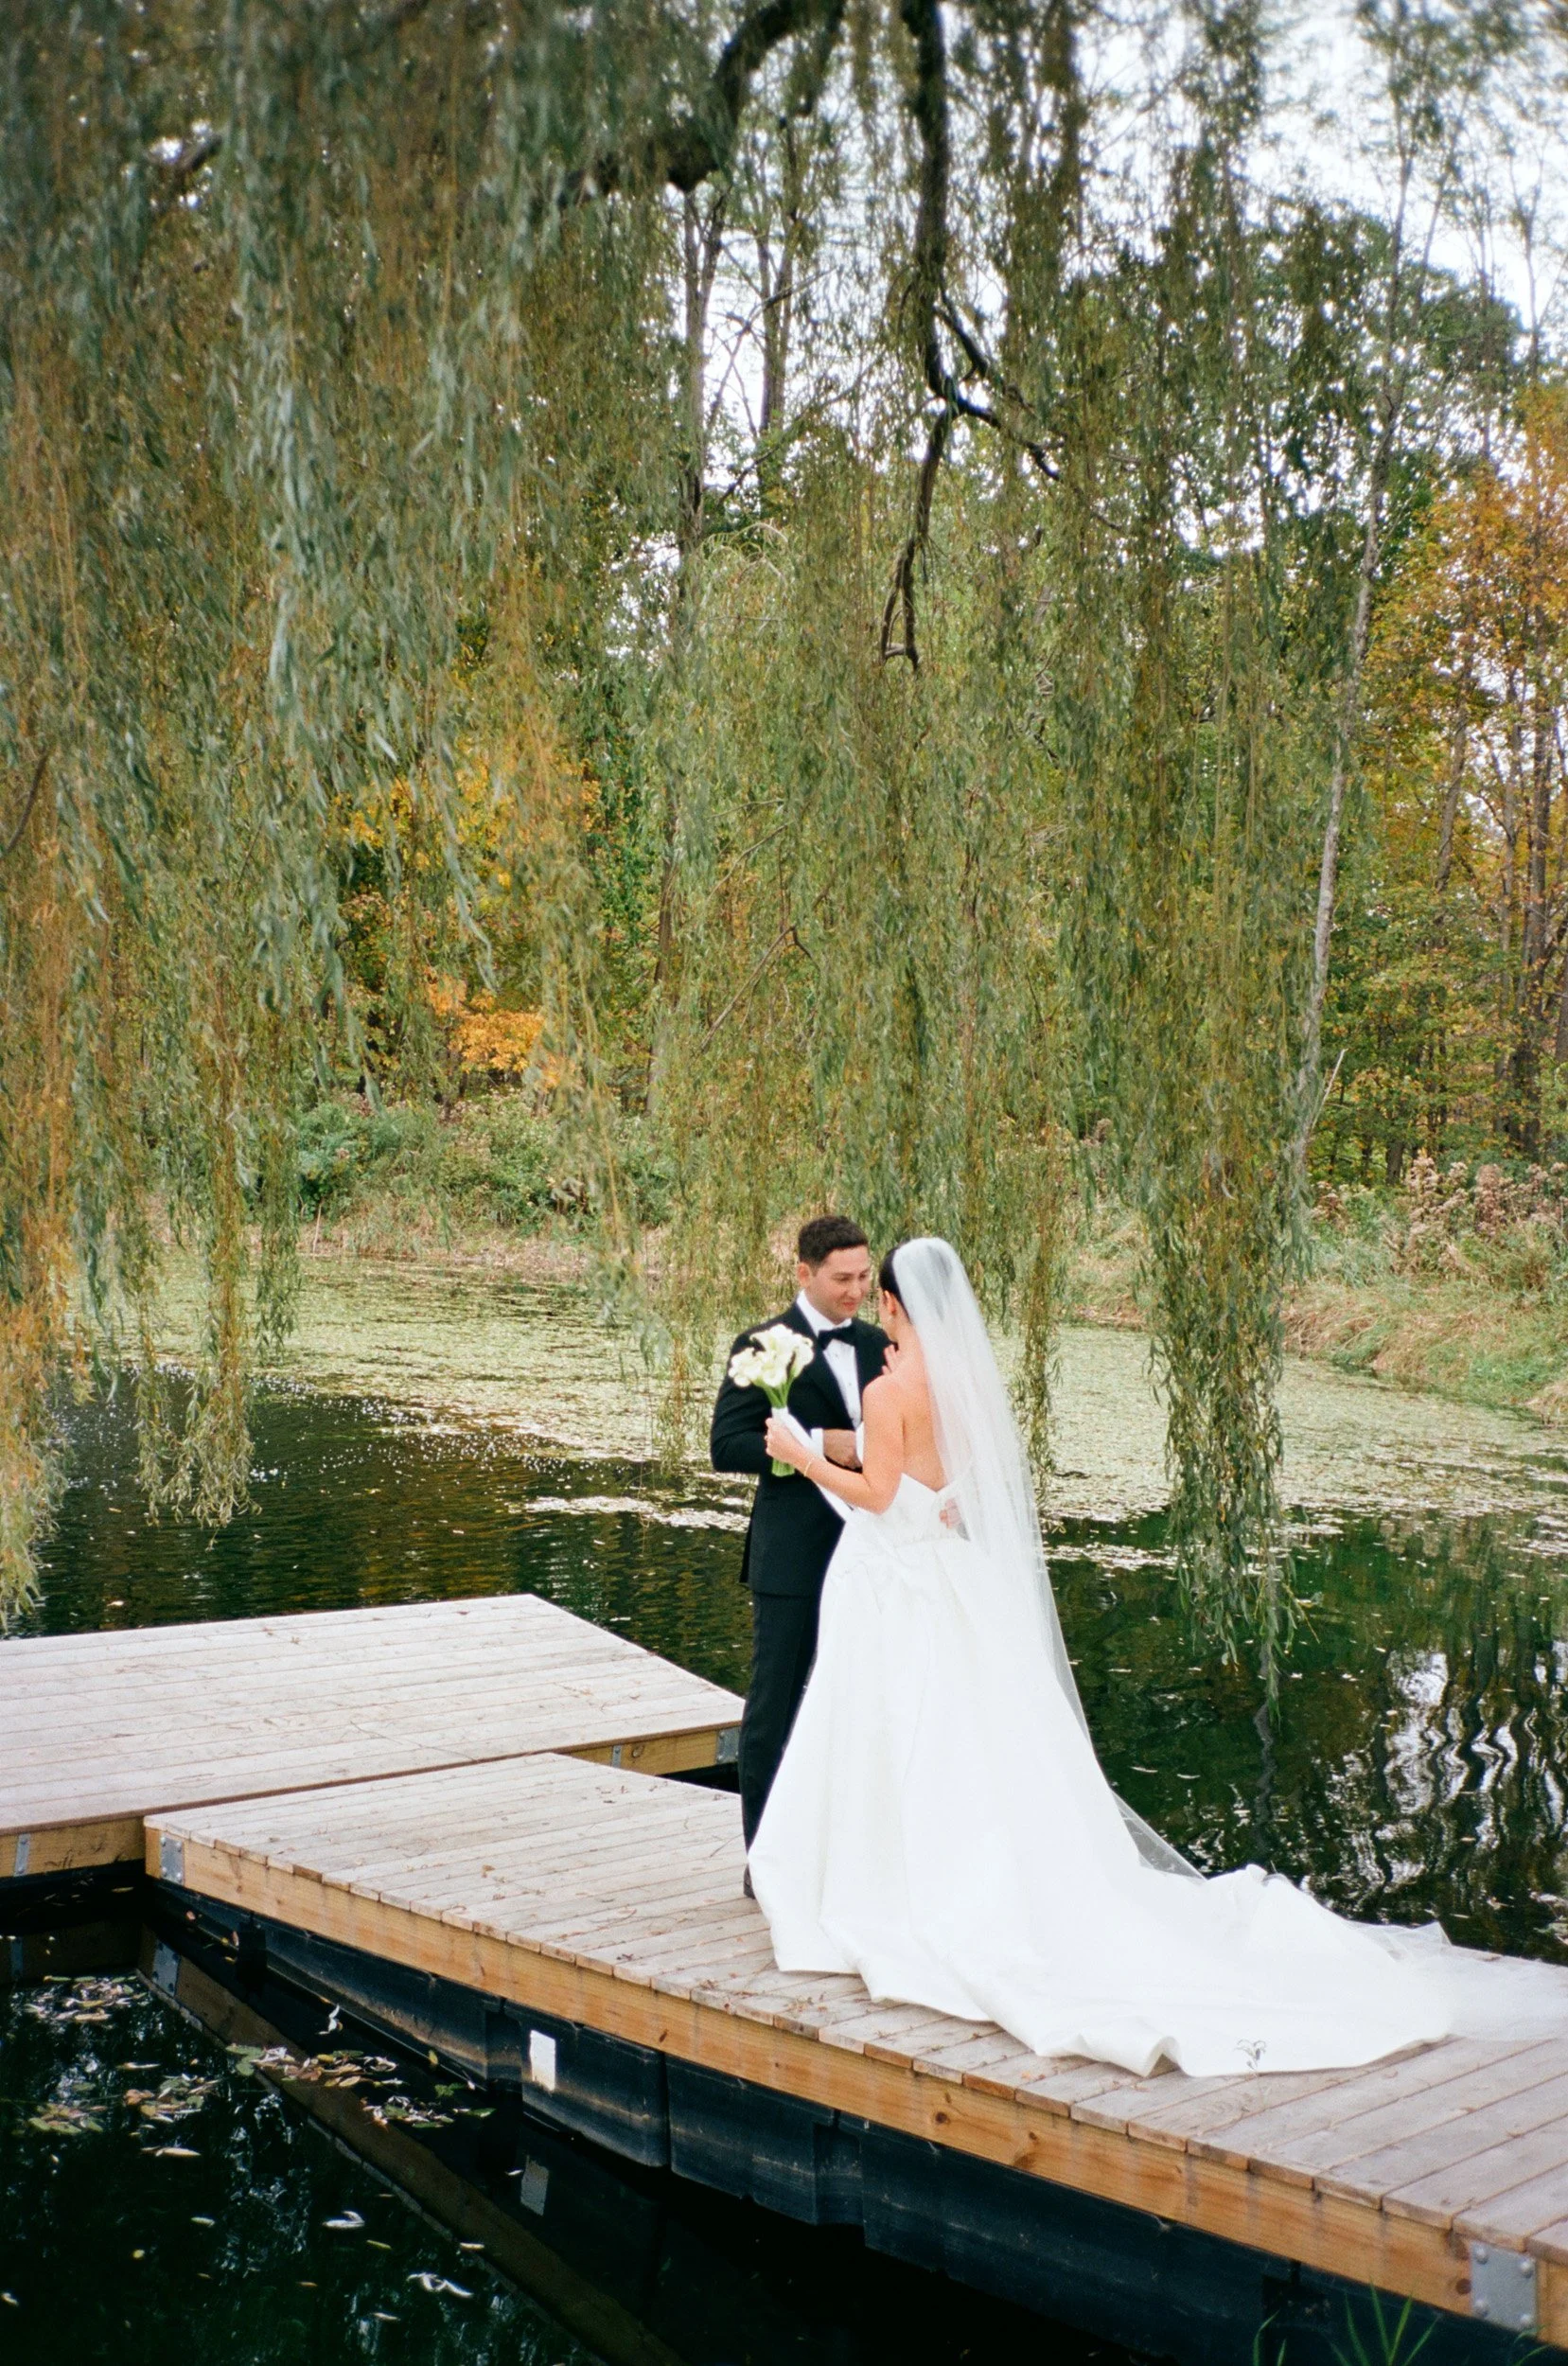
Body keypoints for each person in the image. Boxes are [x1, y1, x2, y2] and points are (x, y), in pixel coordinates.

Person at [749, 1236, 1476, 2078]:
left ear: (891, 1308)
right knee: (964, 1737)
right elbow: (952, 1487)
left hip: (893, 1587)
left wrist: (804, 1456)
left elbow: (878, 1495)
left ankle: (889, 1888)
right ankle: (970, 1877)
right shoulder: (965, 1389)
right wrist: (916, 1491)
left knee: (890, 1731)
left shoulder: (887, 1389)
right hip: (951, 1579)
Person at [711, 1215, 889, 1871]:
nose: (856, 1291)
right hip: (792, 1558)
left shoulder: (882, 1345)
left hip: (875, 1552)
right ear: (803, 1274)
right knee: (773, 1713)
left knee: (860, 1707)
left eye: (864, 1277)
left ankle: (844, 1861)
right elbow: (725, 1447)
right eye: (842, 1278)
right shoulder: (761, 1344)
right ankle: (766, 1865)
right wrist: (818, 1443)